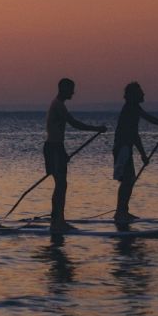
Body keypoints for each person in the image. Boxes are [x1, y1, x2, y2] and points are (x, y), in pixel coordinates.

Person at [45, 78, 107, 233]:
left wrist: (63, 152)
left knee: (62, 185)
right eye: (71, 89)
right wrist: (95, 128)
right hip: (53, 148)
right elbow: (74, 123)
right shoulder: (58, 105)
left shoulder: (60, 105)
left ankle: (59, 220)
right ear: (63, 89)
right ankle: (57, 222)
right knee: (60, 184)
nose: (73, 92)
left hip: (58, 147)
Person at [112, 82, 158, 225]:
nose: (143, 94)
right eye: (140, 92)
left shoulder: (134, 108)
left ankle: (123, 211)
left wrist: (142, 154)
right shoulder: (130, 109)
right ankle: (120, 213)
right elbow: (134, 134)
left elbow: (141, 127)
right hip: (122, 149)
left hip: (125, 148)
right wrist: (143, 154)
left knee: (129, 180)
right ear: (134, 95)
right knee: (127, 180)